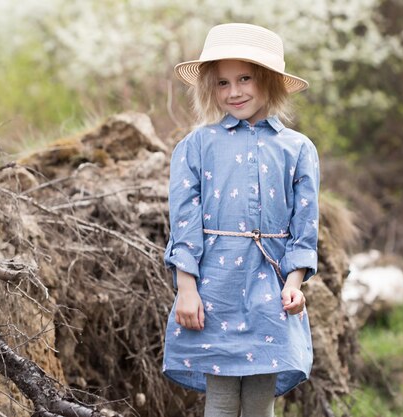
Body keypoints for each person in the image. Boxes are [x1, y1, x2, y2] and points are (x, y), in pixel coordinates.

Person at [162, 23, 320, 417]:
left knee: (259, 401)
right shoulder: (196, 146)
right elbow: (184, 222)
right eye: (222, 82)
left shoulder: (298, 148)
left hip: (271, 287)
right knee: (220, 399)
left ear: (269, 80)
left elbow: (305, 225)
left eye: (245, 78)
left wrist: (295, 283)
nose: (234, 92)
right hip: (215, 287)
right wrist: (186, 288)